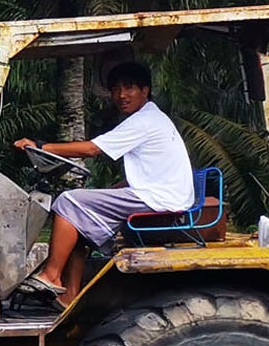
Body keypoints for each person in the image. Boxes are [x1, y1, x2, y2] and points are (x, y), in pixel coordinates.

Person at [11, 60, 193, 305]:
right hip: (161, 195)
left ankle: (51, 276)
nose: (121, 95)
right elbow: (144, 174)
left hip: (160, 200)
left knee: (68, 200)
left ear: (145, 90)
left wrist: (41, 147)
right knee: (78, 219)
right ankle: (69, 296)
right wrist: (109, 191)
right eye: (116, 89)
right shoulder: (151, 119)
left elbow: (92, 149)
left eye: (129, 88)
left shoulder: (145, 121)